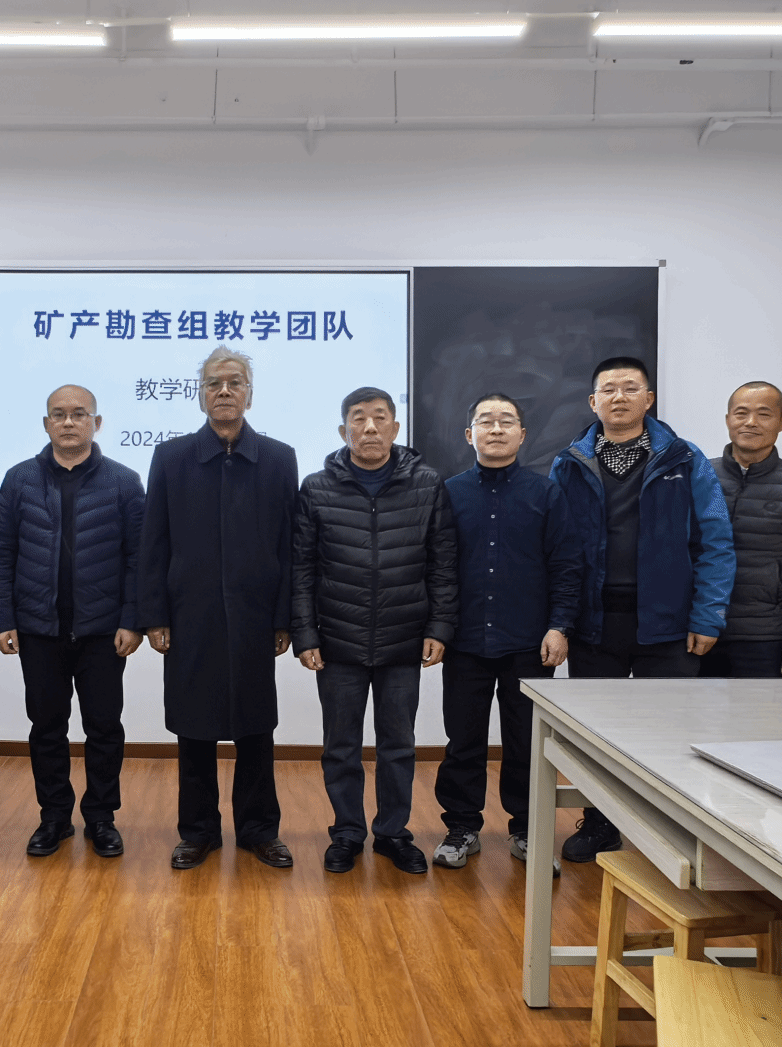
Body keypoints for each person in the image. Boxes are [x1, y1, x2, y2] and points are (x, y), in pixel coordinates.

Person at [549, 356, 735, 863]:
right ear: (593, 402)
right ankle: (600, 825)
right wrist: (560, 621)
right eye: (609, 389)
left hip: (669, 621)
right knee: (596, 732)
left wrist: (708, 616)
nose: (619, 397)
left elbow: (716, 541)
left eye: (631, 388)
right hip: (595, 621)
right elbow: (558, 549)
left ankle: (667, 830)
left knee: (669, 732)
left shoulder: (685, 459)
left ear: (649, 399)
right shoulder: (569, 463)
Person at [137, 347, 300, 871]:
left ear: (250, 392)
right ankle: (198, 831)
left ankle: (259, 830)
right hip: (190, 614)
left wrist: (284, 617)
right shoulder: (172, 457)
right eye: (213, 383)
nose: (224, 391)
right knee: (194, 726)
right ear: (200, 394)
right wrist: (155, 615)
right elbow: (153, 541)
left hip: (256, 614)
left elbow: (288, 545)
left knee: (255, 727)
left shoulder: (279, 458)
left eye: (234, 382)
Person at [292, 387, 458, 875]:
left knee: (398, 746)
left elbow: (443, 564)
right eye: (359, 419)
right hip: (337, 641)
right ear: (343, 430)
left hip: (404, 639)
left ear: (395, 428)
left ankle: (392, 833)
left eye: (380, 418)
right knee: (340, 747)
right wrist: (306, 634)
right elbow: (301, 569)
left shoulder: (427, 484)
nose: (369, 427)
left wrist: (440, 626)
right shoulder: (316, 488)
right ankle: (347, 832)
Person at [0, 384, 146, 859]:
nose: (69, 422)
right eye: (59, 414)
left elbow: (139, 558)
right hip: (39, 628)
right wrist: (1, 617)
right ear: (46, 424)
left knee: (104, 727)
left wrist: (133, 620)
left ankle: (101, 817)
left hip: (104, 630)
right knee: (46, 727)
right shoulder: (19, 479)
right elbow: (1, 552)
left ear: (97, 423)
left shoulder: (123, 481)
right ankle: (54, 817)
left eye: (79, 413)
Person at [433, 392, 581, 872]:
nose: (496, 429)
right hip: (465, 641)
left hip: (529, 642)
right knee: (463, 742)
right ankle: (461, 828)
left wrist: (559, 626)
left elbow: (566, 565)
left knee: (526, 743)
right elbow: (436, 567)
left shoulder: (546, 493)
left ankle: (527, 830)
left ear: (522, 434)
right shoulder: (448, 493)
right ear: (469, 434)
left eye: (506, 421)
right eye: (485, 421)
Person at [704, 381, 782, 678]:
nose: (751, 422)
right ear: (727, 419)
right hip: (699, 629)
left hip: (766, 636)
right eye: (741, 413)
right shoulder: (699, 476)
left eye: (764, 414)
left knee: (761, 710)